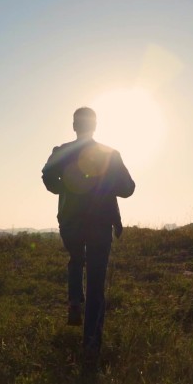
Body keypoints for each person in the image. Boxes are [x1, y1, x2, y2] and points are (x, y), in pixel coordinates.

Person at [41, 107, 135, 365]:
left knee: (75, 258)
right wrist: (104, 183)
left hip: (70, 221)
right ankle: (91, 344)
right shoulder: (110, 154)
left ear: (74, 126)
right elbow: (128, 189)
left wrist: (69, 187)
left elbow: (47, 177)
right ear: (95, 126)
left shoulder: (61, 152)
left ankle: (74, 300)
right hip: (100, 224)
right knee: (96, 282)